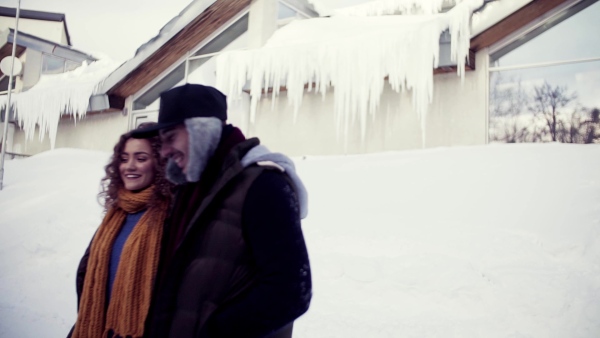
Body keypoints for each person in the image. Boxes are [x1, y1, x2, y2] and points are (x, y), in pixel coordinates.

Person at [132, 84, 312, 338]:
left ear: (200, 130)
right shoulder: (191, 190)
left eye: (171, 137)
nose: (164, 152)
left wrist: (215, 332)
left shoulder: (263, 185)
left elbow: (291, 291)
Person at [68, 124, 172, 338]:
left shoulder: (171, 218)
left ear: (160, 164)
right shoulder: (115, 215)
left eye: (141, 158)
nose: (129, 166)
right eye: (124, 159)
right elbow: (87, 276)